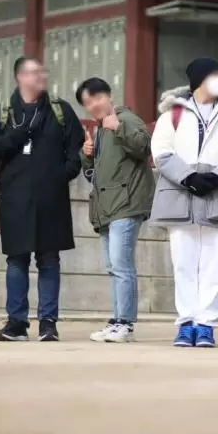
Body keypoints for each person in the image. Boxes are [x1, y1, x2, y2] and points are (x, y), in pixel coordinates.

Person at [148, 58, 218, 348]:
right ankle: (185, 323)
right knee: (182, 263)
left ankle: (205, 324)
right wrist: (188, 177)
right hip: (180, 197)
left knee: (211, 264)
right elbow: (160, 151)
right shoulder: (172, 114)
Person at [0, 57, 84, 342]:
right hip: (16, 197)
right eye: (35, 72)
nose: (41, 76)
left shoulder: (61, 111)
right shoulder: (3, 113)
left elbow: (76, 149)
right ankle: (16, 322)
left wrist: (62, 175)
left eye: (42, 72)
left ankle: (48, 323)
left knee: (49, 259)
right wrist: (15, 135)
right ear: (19, 77)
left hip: (52, 196)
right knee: (16, 260)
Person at [77, 77, 155, 344]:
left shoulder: (125, 119)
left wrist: (119, 128)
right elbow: (97, 173)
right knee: (113, 266)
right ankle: (118, 318)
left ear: (109, 96)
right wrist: (87, 154)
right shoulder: (100, 131)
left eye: (97, 98)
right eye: (88, 103)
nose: (94, 106)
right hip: (108, 207)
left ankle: (126, 323)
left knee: (122, 266)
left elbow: (144, 147)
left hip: (126, 204)